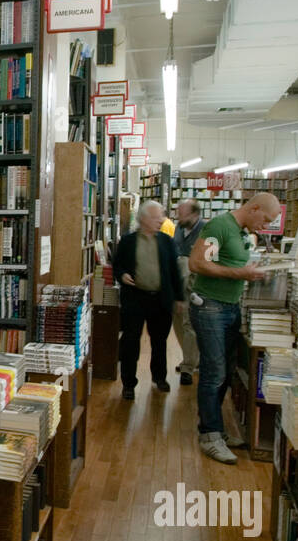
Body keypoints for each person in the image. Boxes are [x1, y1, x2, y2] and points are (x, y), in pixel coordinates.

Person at [188, 192, 283, 464]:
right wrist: (241, 274)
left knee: (225, 371)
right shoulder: (220, 226)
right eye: (265, 220)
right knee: (214, 371)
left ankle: (214, 428)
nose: (264, 227)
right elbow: (197, 263)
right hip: (210, 307)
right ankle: (210, 436)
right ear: (253, 208)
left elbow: (228, 262)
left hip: (228, 306)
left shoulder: (240, 232)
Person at [113, 200, 184, 401]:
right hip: (135, 299)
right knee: (130, 342)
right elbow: (117, 266)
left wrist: (179, 298)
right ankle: (128, 384)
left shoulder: (167, 241)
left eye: (161, 216)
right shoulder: (127, 241)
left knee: (159, 342)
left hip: (160, 300)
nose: (160, 220)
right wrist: (122, 275)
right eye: (155, 217)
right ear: (143, 219)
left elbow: (174, 272)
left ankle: (159, 377)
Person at [172, 199, 203, 384]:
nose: (178, 217)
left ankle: (188, 368)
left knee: (189, 324)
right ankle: (189, 358)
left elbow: (209, 258)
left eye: (182, 213)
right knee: (177, 320)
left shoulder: (207, 230)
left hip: (195, 283)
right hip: (177, 282)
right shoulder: (178, 228)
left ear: (195, 215)